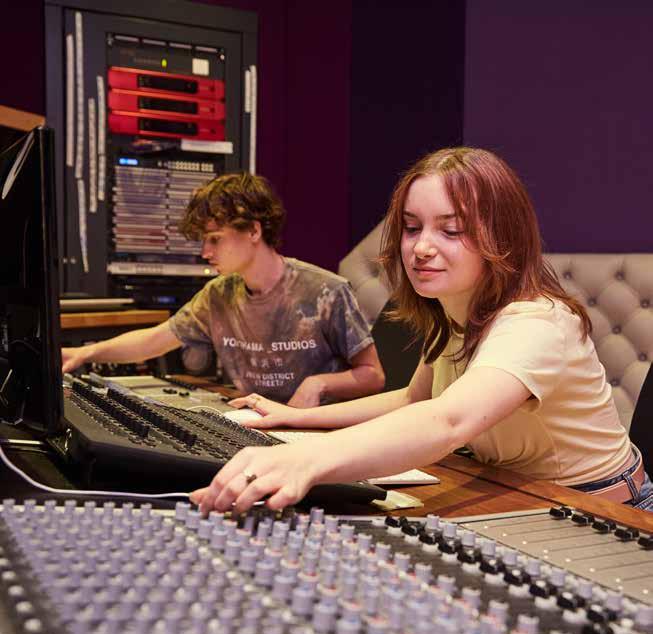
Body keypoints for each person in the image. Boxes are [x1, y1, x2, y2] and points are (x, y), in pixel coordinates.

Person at [191, 147, 653, 515]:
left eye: (451, 231)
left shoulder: (538, 322)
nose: (421, 248)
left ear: (502, 238)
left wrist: (305, 459)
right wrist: (291, 419)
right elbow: (416, 399)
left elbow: (448, 420)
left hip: (604, 510)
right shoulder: (454, 313)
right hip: (525, 494)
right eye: (412, 228)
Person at [61, 173, 385, 408]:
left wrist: (318, 384)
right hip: (253, 424)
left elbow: (373, 375)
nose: (205, 252)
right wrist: (85, 354)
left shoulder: (326, 291)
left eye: (215, 239)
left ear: (254, 231)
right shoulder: (218, 295)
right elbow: (155, 340)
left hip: (316, 434)